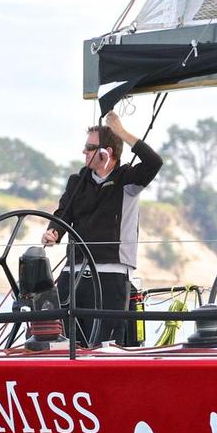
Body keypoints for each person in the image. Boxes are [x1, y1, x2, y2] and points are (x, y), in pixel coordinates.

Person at [42, 111, 162, 345]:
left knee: (105, 342)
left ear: (107, 153)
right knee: (67, 340)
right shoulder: (78, 181)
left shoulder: (128, 180)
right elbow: (63, 214)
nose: (84, 152)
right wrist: (53, 232)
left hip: (111, 272)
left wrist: (121, 132)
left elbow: (154, 163)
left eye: (89, 147)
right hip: (74, 270)